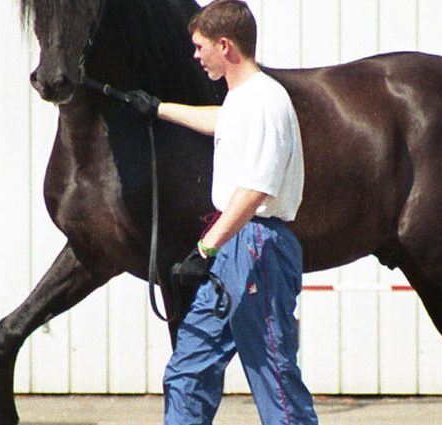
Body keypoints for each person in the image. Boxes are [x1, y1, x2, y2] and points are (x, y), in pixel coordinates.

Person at [143, 1, 319, 424]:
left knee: (274, 377)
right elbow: (220, 120)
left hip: (258, 249)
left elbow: (256, 189)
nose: (196, 55)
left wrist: (206, 247)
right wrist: (156, 108)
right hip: (234, 249)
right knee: (189, 368)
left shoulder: (264, 101)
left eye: (200, 46)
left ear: (225, 45)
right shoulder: (243, 100)